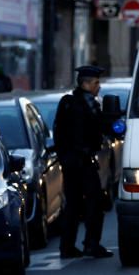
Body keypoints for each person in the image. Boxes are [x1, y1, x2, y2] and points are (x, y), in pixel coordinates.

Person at [53, 65, 113, 259]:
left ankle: (68, 246)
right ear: (86, 84)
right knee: (95, 202)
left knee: (74, 205)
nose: (99, 87)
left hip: (74, 162)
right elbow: (93, 129)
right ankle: (90, 244)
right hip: (81, 162)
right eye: (96, 83)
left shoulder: (75, 103)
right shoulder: (83, 104)